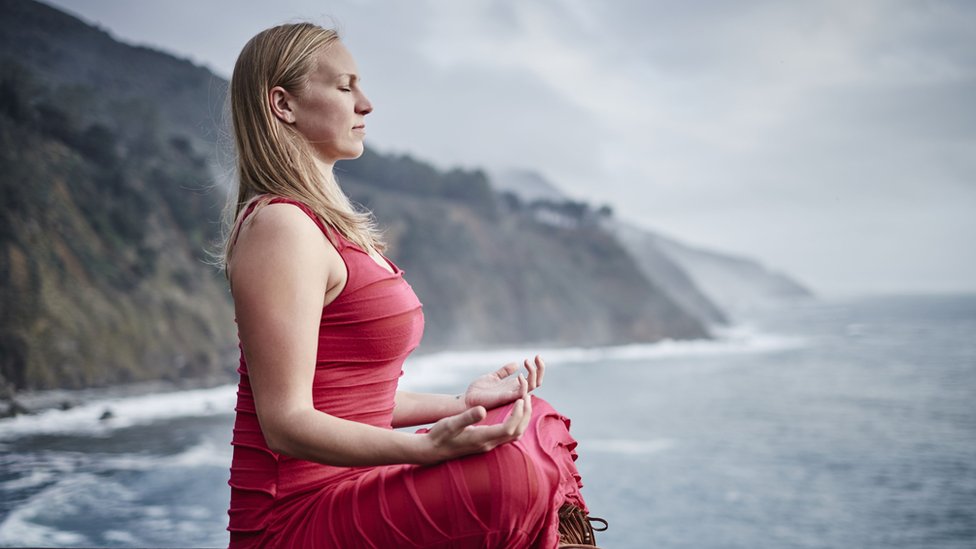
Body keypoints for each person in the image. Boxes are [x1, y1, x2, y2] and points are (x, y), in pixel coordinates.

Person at [221, 22, 606, 548]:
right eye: (344, 86)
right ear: (283, 105)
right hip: (292, 515)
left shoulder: (323, 226)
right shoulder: (279, 227)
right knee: (512, 476)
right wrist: (423, 451)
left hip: (348, 485)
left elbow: (353, 401)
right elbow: (286, 422)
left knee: (533, 420)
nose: (366, 104)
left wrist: (461, 403)